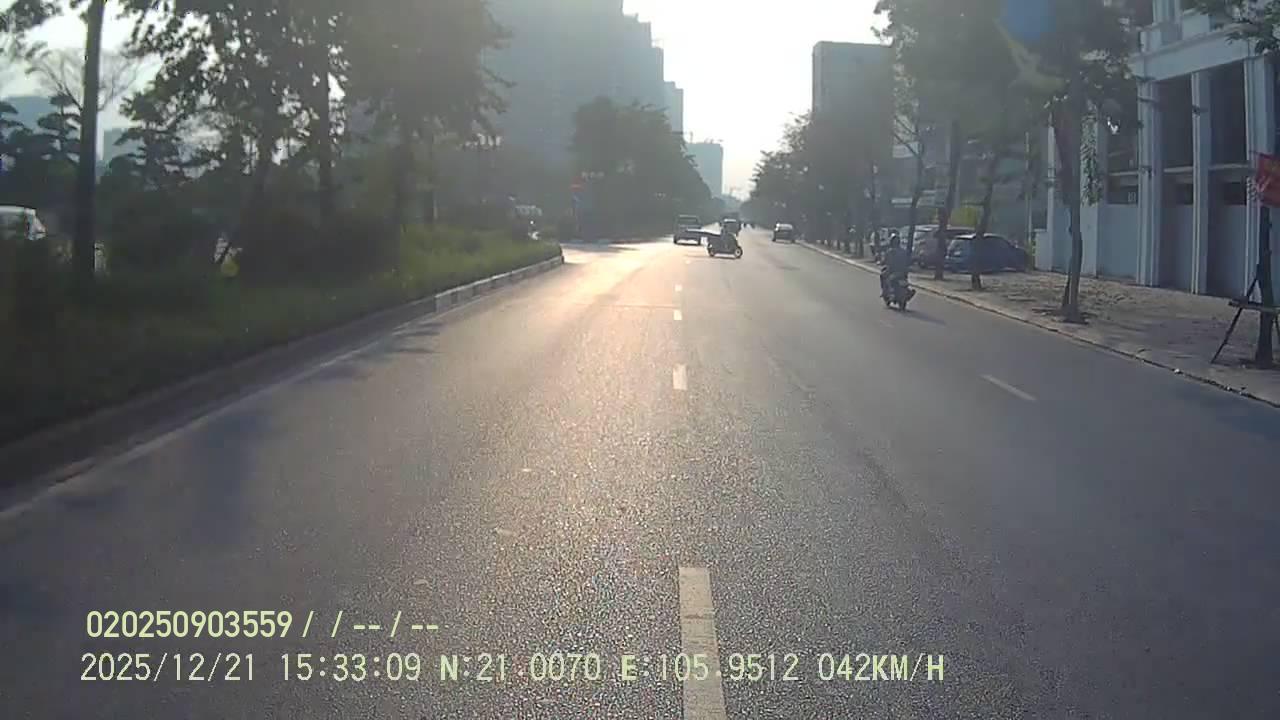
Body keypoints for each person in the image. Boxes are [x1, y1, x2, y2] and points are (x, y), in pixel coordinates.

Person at [880, 234, 914, 299]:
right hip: (903, 272)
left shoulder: (889, 252)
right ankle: (906, 291)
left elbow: (885, 261)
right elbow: (909, 261)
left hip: (893, 272)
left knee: (883, 276)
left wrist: (881, 262)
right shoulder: (904, 251)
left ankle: (886, 291)